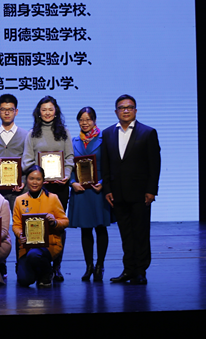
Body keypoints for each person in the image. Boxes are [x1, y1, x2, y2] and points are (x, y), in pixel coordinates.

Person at [101, 95, 161, 285]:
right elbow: (105, 164)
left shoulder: (148, 132)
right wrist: (107, 189)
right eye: (122, 107)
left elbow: (155, 165)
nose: (125, 110)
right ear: (116, 111)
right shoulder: (108, 133)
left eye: (129, 107)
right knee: (125, 234)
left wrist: (151, 190)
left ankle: (140, 271)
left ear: (135, 110)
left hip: (141, 193)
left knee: (141, 233)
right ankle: (128, 270)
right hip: (117, 193)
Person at [22, 95, 74, 281]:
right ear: (38, 112)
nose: (47, 113)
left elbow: (69, 158)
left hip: (60, 187)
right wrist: (39, 176)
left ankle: (57, 266)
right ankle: (40, 264)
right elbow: (26, 161)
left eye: (50, 109)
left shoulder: (64, 133)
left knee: (57, 226)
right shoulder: (32, 134)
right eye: (44, 110)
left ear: (56, 111)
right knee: (37, 224)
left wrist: (65, 174)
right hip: (39, 188)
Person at [69, 107, 112, 282]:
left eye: (88, 119)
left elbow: (111, 164)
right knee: (85, 230)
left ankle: (100, 265)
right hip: (81, 191)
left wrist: (103, 183)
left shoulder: (105, 139)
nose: (84, 123)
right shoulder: (73, 141)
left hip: (98, 190)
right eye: (81, 119)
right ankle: (88, 266)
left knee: (101, 228)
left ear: (94, 120)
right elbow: (68, 165)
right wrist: (72, 182)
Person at [12, 166, 68, 287]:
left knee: (35, 254)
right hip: (27, 247)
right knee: (24, 280)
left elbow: (65, 221)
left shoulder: (52, 198)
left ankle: (47, 272)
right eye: (31, 178)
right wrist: (20, 234)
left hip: (48, 246)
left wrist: (54, 222)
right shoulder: (19, 200)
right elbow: (16, 225)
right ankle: (38, 271)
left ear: (43, 181)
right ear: (26, 180)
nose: (34, 182)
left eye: (38, 179)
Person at [0, 94, 27, 210]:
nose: (7, 113)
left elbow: (29, 161)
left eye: (10, 109)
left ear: (16, 112)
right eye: (3, 109)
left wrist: (22, 182)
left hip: (19, 188)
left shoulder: (26, 135)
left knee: (21, 218)